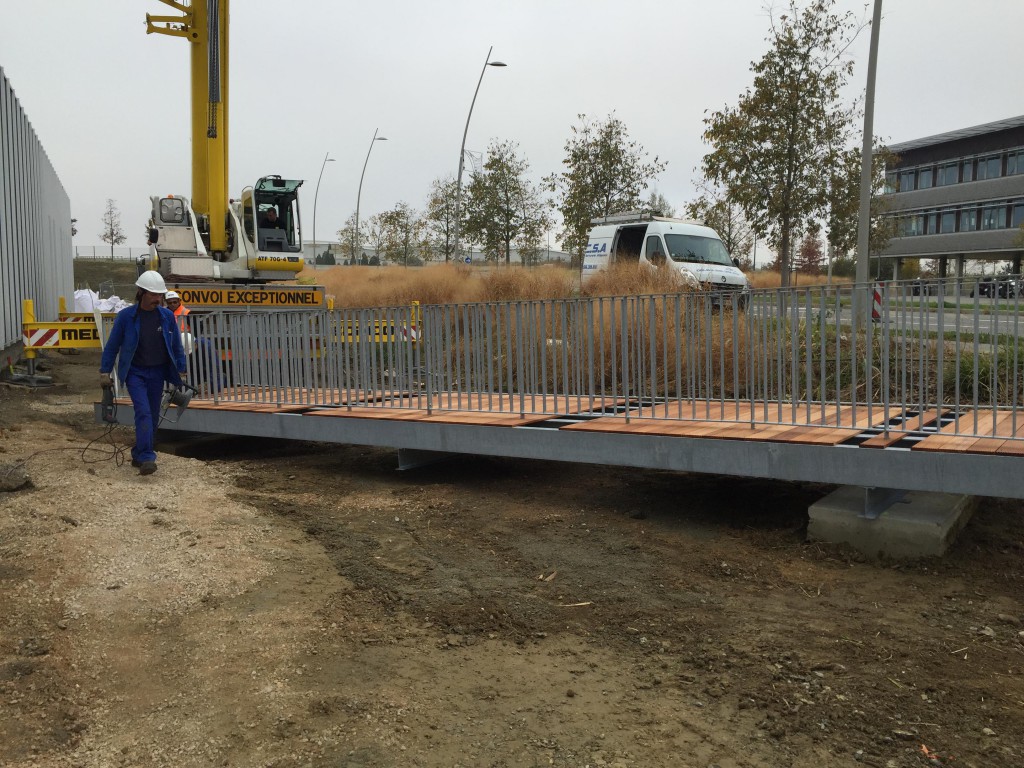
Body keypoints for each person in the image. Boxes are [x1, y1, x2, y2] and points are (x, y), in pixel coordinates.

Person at [99, 271, 187, 476]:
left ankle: (139, 453)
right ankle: (148, 456)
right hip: (135, 373)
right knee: (144, 412)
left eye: (160, 295)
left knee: (153, 414)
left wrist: (181, 368)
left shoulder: (166, 317)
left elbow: (176, 345)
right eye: (154, 294)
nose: (158, 299)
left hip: (158, 372)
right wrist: (105, 371)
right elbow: (112, 346)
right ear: (141, 292)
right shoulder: (126, 317)